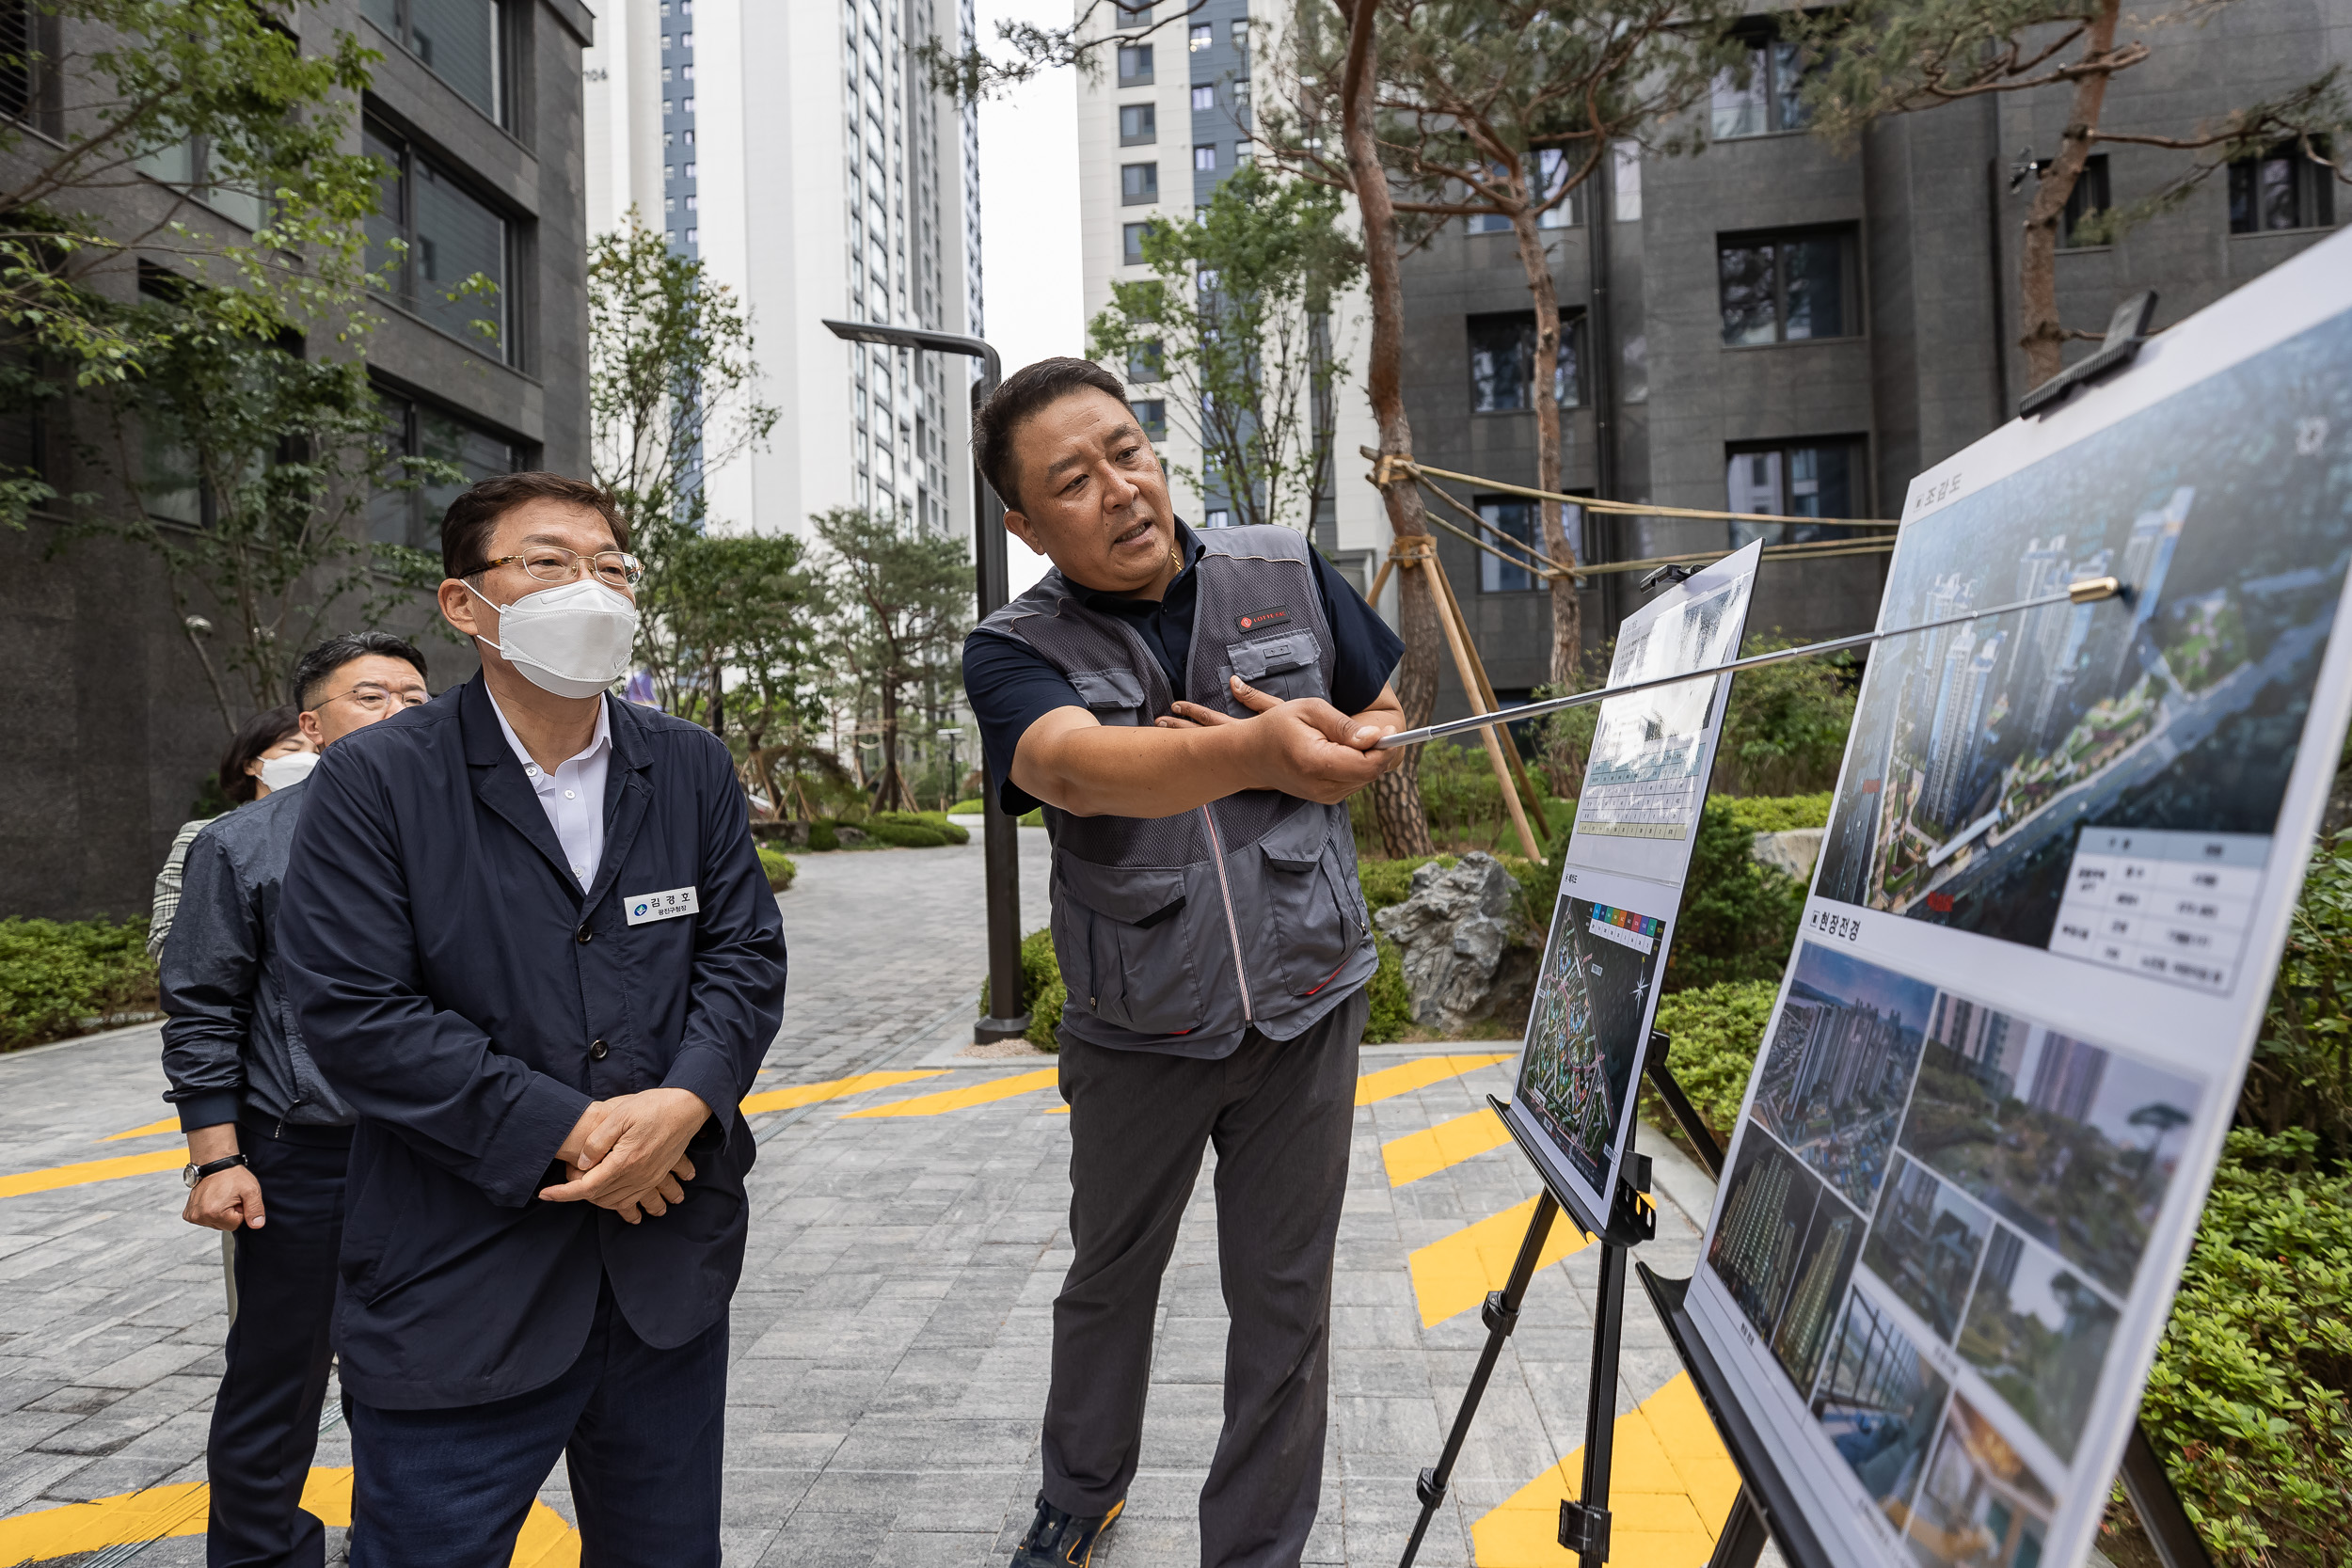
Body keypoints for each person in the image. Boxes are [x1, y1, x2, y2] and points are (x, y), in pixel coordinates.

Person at [276, 472, 789, 1568]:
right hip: (460, 1278)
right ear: (467, 605)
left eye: (611, 565)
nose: (590, 587)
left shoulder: (686, 762)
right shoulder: (375, 780)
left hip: (665, 1269)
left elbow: (743, 954)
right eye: (549, 563)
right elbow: (359, 1013)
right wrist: (586, 1129)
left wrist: (687, 1098)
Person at [960, 358, 1406, 1568]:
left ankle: (1254, 1549)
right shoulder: (1010, 647)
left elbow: (1382, 706)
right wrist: (1258, 749)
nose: (1119, 487)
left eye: (1128, 450)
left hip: (1307, 996)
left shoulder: (1281, 566)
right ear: (1023, 522)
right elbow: (1068, 766)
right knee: (1110, 1274)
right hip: (1135, 1020)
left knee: (1283, 1299)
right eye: (1072, 478)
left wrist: (1360, 742)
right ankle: (1081, 1488)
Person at [157, 633, 433, 1568]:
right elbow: (202, 1004)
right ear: (312, 726)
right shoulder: (243, 844)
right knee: (278, 1378)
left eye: (414, 694)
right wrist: (217, 1156)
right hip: (302, 1156)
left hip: (439, 1151)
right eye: (371, 695)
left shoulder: (470, 832)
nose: (400, 710)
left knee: (420, 1380)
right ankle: (261, 1555)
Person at [149, 706, 316, 957]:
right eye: (291, 749)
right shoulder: (205, 834)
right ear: (250, 764)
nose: (308, 759)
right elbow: (167, 939)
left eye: (317, 752)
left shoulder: (333, 834)